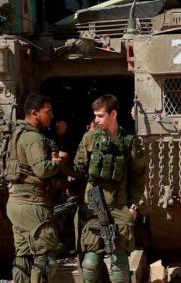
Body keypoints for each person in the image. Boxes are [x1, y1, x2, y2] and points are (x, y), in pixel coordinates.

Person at [72, 95, 147, 283]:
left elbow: (139, 177)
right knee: (90, 262)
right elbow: (77, 170)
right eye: (95, 116)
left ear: (113, 114)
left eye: (100, 116)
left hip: (119, 206)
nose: (96, 120)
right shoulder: (90, 138)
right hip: (94, 206)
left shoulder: (130, 142)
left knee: (119, 261)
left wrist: (134, 207)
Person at [5, 94, 67, 283]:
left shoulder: (17, 134)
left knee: (23, 256)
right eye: (47, 112)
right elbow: (42, 169)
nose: (52, 115)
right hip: (33, 204)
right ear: (34, 113)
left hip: (15, 202)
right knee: (45, 255)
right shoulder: (33, 137)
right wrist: (60, 161)